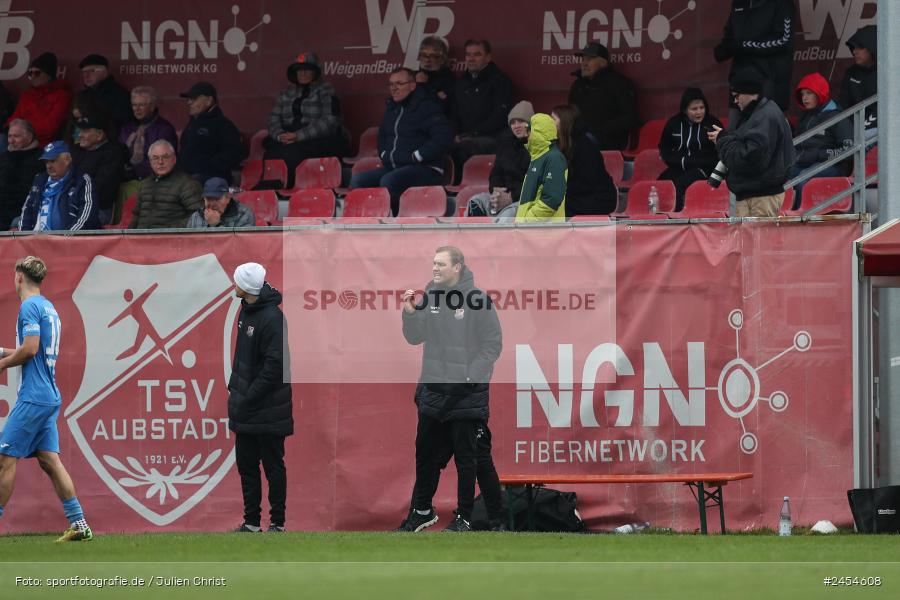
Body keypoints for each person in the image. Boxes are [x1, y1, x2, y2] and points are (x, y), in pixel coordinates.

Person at [398, 246, 502, 532]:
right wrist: (410, 314)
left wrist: (469, 377)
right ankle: (421, 512)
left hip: (465, 396)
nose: (435, 268)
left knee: (467, 460)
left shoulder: (478, 300)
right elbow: (415, 337)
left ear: (457, 267)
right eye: (433, 263)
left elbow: (492, 345)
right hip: (433, 393)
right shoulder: (429, 296)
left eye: (441, 264)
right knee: (425, 456)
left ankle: (464, 517)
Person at [0, 256, 93, 543]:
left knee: (4, 459)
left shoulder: (28, 306)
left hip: (34, 396)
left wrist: (2, 364)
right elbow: (34, 351)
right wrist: (3, 352)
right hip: (49, 395)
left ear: (19, 277)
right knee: (50, 460)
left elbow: (30, 349)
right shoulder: (48, 307)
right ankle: (79, 523)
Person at [228, 263, 293, 533]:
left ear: (247, 286)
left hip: (269, 408)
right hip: (246, 406)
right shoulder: (246, 309)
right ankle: (252, 522)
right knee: (247, 466)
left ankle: (277, 523)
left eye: (237, 281)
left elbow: (274, 367)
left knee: (273, 466)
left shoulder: (273, 318)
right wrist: (236, 389)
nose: (234, 284)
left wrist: (249, 396)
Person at [349, 68, 452, 215]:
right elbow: (382, 137)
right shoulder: (392, 109)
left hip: (425, 167)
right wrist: (384, 154)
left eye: (399, 83)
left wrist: (417, 156)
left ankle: (398, 219)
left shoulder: (427, 107)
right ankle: (369, 220)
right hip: (396, 166)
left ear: (412, 85)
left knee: (389, 181)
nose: (394, 88)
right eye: (391, 84)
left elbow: (443, 138)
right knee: (358, 180)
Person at [707, 73, 795, 217]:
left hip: (761, 198)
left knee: (759, 233)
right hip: (755, 195)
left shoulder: (764, 116)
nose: (735, 101)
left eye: (737, 96)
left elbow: (749, 158)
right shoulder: (759, 113)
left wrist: (722, 140)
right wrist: (725, 138)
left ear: (749, 93)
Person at [264, 53, 348, 189]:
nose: (302, 73)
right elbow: (273, 119)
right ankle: (272, 189)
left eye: (307, 69)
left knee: (293, 152)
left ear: (316, 72)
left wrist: (298, 136)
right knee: (271, 151)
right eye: (299, 70)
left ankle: (290, 188)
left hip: (316, 138)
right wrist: (280, 135)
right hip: (287, 137)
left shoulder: (327, 90)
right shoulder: (285, 93)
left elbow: (331, 121)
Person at [713, 0, 796, 112]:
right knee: (735, 122)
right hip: (739, 84)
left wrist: (744, 45)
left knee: (762, 122)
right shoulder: (739, 3)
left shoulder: (782, 3)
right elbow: (730, 36)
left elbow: (783, 40)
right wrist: (725, 49)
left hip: (768, 88)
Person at [449, 39, 512, 176]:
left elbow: (500, 116)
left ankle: (461, 186)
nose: (471, 59)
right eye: (468, 55)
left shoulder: (500, 81)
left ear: (488, 57)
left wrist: (473, 134)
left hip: (492, 137)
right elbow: (454, 114)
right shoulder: (461, 83)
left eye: (477, 54)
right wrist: (455, 134)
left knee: (463, 148)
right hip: (465, 136)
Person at [464, 100, 533, 219]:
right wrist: (496, 192)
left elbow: (535, 183)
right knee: (475, 202)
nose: (516, 126)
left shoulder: (539, 146)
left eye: (521, 121)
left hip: (525, 200)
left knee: (507, 215)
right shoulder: (505, 145)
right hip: (502, 196)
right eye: (513, 122)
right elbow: (496, 173)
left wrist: (511, 197)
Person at [658, 88, 724, 210]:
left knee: (681, 184)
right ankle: (659, 215)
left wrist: (702, 163)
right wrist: (677, 161)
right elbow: (664, 148)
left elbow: (721, 152)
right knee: (661, 183)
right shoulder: (674, 123)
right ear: (685, 110)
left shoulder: (712, 124)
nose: (699, 112)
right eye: (694, 109)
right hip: (678, 166)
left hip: (705, 169)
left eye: (702, 108)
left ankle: (677, 215)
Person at [567, 43, 636, 151]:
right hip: (578, 138)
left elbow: (629, 118)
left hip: (609, 140)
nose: (584, 63)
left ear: (603, 62)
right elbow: (569, 114)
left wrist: (600, 129)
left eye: (589, 59)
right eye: (583, 59)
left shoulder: (619, 83)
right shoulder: (578, 85)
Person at [552, 104, 617, 217]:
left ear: (564, 121)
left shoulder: (585, 146)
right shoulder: (559, 144)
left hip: (598, 198)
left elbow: (586, 183)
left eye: (553, 119)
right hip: (578, 196)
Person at [20, 141, 98, 231]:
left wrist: (67, 236)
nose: (48, 166)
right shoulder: (40, 180)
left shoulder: (82, 180)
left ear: (67, 160)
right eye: (46, 162)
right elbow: (27, 209)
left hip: (69, 237)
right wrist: (24, 235)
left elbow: (87, 215)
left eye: (53, 161)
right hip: (37, 237)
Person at [178, 82, 245, 184]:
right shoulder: (192, 124)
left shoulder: (224, 125)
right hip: (186, 177)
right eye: (188, 99)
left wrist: (208, 167)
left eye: (194, 99)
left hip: (211, 180)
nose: (189, 102)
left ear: (209, 100)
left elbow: (234, 154)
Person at [130, 140, 202, 229]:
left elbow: (197, 216)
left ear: (174, 159)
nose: (160, 162)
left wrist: (171, 230)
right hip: (143, 237)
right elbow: (136, 216)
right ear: (150, 162)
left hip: (172, 237)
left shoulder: (187, 184)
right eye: (155, 158)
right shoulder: (144, 185)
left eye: (165, 157)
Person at [6, 52, 72, 146]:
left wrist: (24, 132)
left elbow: (51, 127)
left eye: (37, 73)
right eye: (30, 73)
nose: (33, 76)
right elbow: (14, 119)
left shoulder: (62, 96)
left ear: (49, 75)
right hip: (20, 140)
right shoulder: (27, 95)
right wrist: (12, 130)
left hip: (44, 143)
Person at [118, 86, 179, 185]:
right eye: (134, 105)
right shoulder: (127, 127)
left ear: (152, 106)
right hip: (126, 180)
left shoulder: (164, 129)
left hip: (154, 181)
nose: (137, 109)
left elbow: (164, 162)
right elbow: (119, 155)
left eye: (141, 105)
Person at [71, 115, 126, 225]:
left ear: (100, 135)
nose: (80, 135)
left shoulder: (113, 153)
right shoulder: (77, 151)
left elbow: (101, 190)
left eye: (85, 131)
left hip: (97, 210)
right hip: (72, 205)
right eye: (80, 131)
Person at [515, 113, 567, 222]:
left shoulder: (554, 158)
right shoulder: (537, 157)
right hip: (533, 229)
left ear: (537, 133)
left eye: (529, 131)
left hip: (544, 230)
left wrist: (528, 221)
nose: (527, 135)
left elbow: (552, 198)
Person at [0, 120, 43, 230]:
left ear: (29, 138)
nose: (11, 141)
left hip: (25, 213)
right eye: (9, 136)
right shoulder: (3, 158)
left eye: (16, 136)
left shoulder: (41, 159)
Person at [839, 25, 877, 138]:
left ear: (872, 48)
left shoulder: (886, 75)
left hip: (876, 130)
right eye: (853, 47)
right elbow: (843, 105)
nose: (854, 51)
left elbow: (881, 110)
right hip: (852, 130)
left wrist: (861, 128)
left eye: (860, 47)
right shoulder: (851, 72)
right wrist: (847, 128)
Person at [78, 54, 132, 129]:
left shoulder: (120, 96)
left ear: (104, 72)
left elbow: (121, 126)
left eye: (92, 71)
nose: (86, 75)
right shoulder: (82, 96)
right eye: (84, 72)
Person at [186, 177, 255, 228]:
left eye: (216, 199)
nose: (212, 204)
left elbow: (242, 243)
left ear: (228, 198)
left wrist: (216, 225)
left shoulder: (243, 214)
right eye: (208, 199)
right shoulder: (196, 217)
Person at [415, 36, 454, 114]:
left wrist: (425, 85)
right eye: (424, 55)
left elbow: (443, 108)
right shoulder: (412, 76)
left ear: (442, 59)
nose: (427, 60)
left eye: (433, 56)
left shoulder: (448, 79)